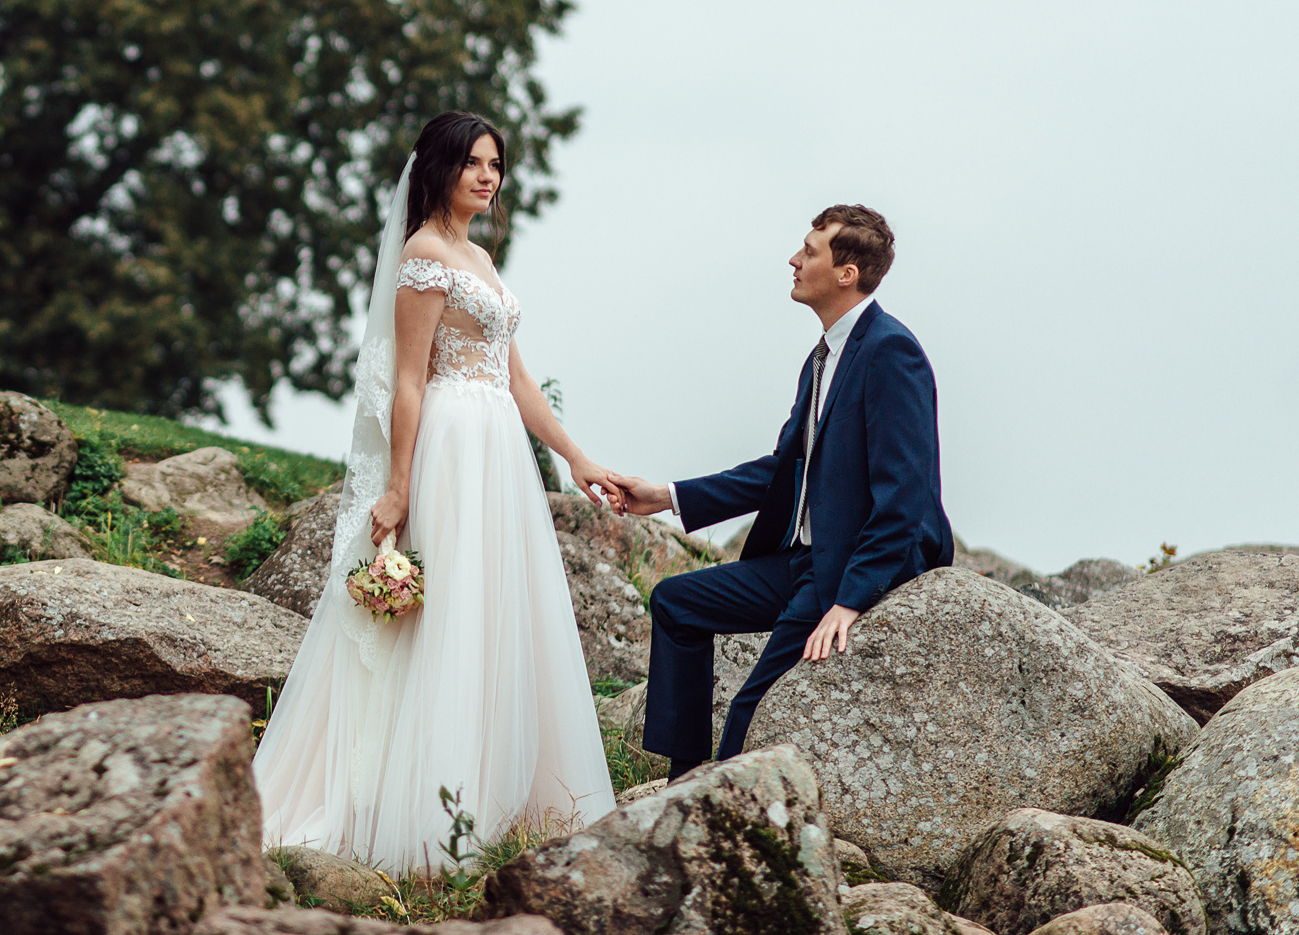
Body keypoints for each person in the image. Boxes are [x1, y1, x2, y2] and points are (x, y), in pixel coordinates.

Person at [252, 111, 618, 866]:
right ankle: (424, 808)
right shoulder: (422, 255)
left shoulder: (479, 257)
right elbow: (409, 382)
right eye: (473, 163)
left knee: (491, 608)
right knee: (443, 611)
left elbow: (516, 377)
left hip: (498, 452)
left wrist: (577, 458)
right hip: (449, 441)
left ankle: (493, 796)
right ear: (441, 169)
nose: (487, 176)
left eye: (495, 164)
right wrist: (398, 485)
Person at [603, 205, 953, 776]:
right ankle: (686, 781)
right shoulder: (822, 358)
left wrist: (850, 600)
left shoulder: (891, 352)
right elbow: (781, 471)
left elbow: (905, 498)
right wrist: (665, 496)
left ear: (847, 273)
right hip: (803, 561)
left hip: (849, 570)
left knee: (751, 707)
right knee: (676, 604)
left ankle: (719, 815)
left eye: (809, 251)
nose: (794, 259)